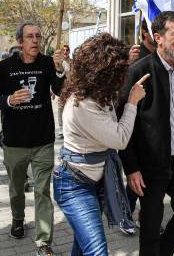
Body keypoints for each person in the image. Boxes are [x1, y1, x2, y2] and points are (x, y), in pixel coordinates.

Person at [53, 33, 149, 256]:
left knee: (83, 244)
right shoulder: (82, 103)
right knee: (97, 251)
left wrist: (127, 61)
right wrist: (132, 102)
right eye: (118, 72)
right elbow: (120, 139)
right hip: (74, 185)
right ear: (103, 73)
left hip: (95, 181)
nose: (122, 77)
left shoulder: (98, 93)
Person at [120, 11, 174, 256]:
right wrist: (131, 167)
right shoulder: (139, 72)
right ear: (159, 38)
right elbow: (125, 124)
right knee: (151, 229)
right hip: (149, 167)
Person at [0, 22, 65, 256]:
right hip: (14, 142)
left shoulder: (48, 63)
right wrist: (9, 100)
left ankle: (43, 242)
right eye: (30, 37)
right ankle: (17, 219)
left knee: (42, 191)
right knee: (16, 189)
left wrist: (60, 70)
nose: (35, 40)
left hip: (43, 140)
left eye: (38, 36)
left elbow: (62, 91)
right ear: (20, 41)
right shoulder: (5, 67)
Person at [120, 19, 157, 235]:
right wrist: (127, 65)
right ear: (144, 32)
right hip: (134, 126)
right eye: (152, 29)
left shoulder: (163, 57)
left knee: (150, 179)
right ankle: (126, 214)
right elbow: (121, 95)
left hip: (155, 129)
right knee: (136, 178)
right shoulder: (133, 57)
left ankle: (146, 217)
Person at [55, 44, 71, 139]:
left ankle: (69, 129)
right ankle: (61, 130)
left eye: (67, 50)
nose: (65, 51)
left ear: (69, 52)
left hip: (72, 90)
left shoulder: (73, 62)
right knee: (60, 109)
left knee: (70, 110)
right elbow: (55, 78)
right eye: (63, 50)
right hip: (62, 90)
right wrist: (52, 91)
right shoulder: (58, 63)